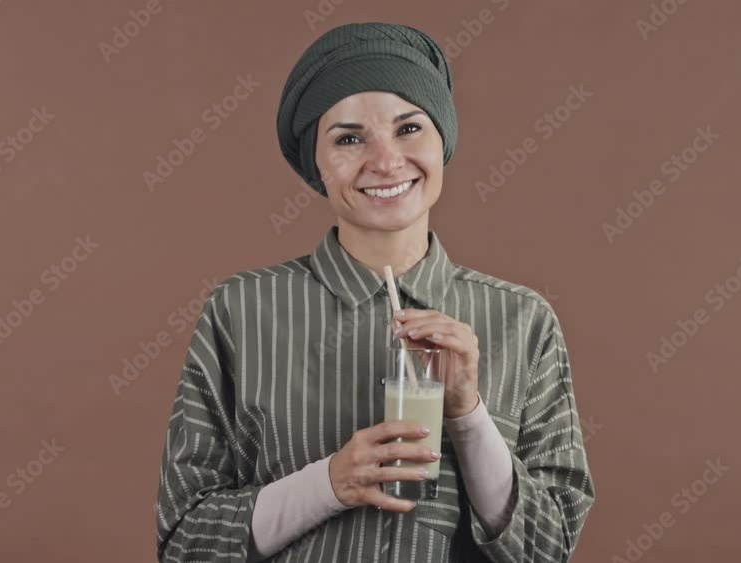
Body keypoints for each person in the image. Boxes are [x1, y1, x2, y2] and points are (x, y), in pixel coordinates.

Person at [155, 22, 594, 563]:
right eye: (348, 138)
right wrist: (329, 484)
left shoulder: (523, 320)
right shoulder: (241, 310)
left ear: (444, 140)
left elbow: (546, 549)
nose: (386, 161)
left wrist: (467, 414)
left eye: (409, 129)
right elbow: (184, 541)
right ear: (315, 164)